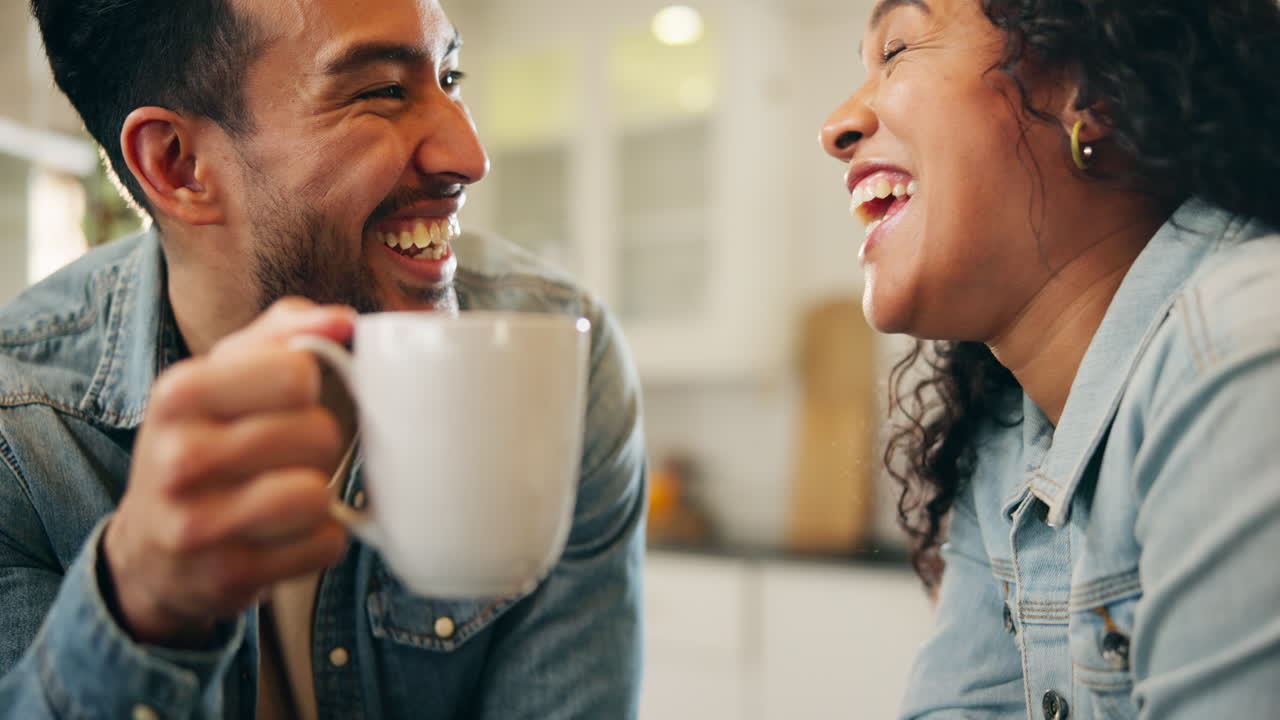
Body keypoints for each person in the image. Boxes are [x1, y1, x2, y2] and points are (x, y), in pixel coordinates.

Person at [0, 0, 647, 718]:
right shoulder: (19, 439)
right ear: (177, 165)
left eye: (449, 74)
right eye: (382, 93)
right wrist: (138, 610)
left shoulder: (554, 350)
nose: (470, 155)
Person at [820, 0, 1280, 717]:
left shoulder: (1242, 352)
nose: (836, 127)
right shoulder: (1012, 434)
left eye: (899, 49)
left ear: (1088, 92)